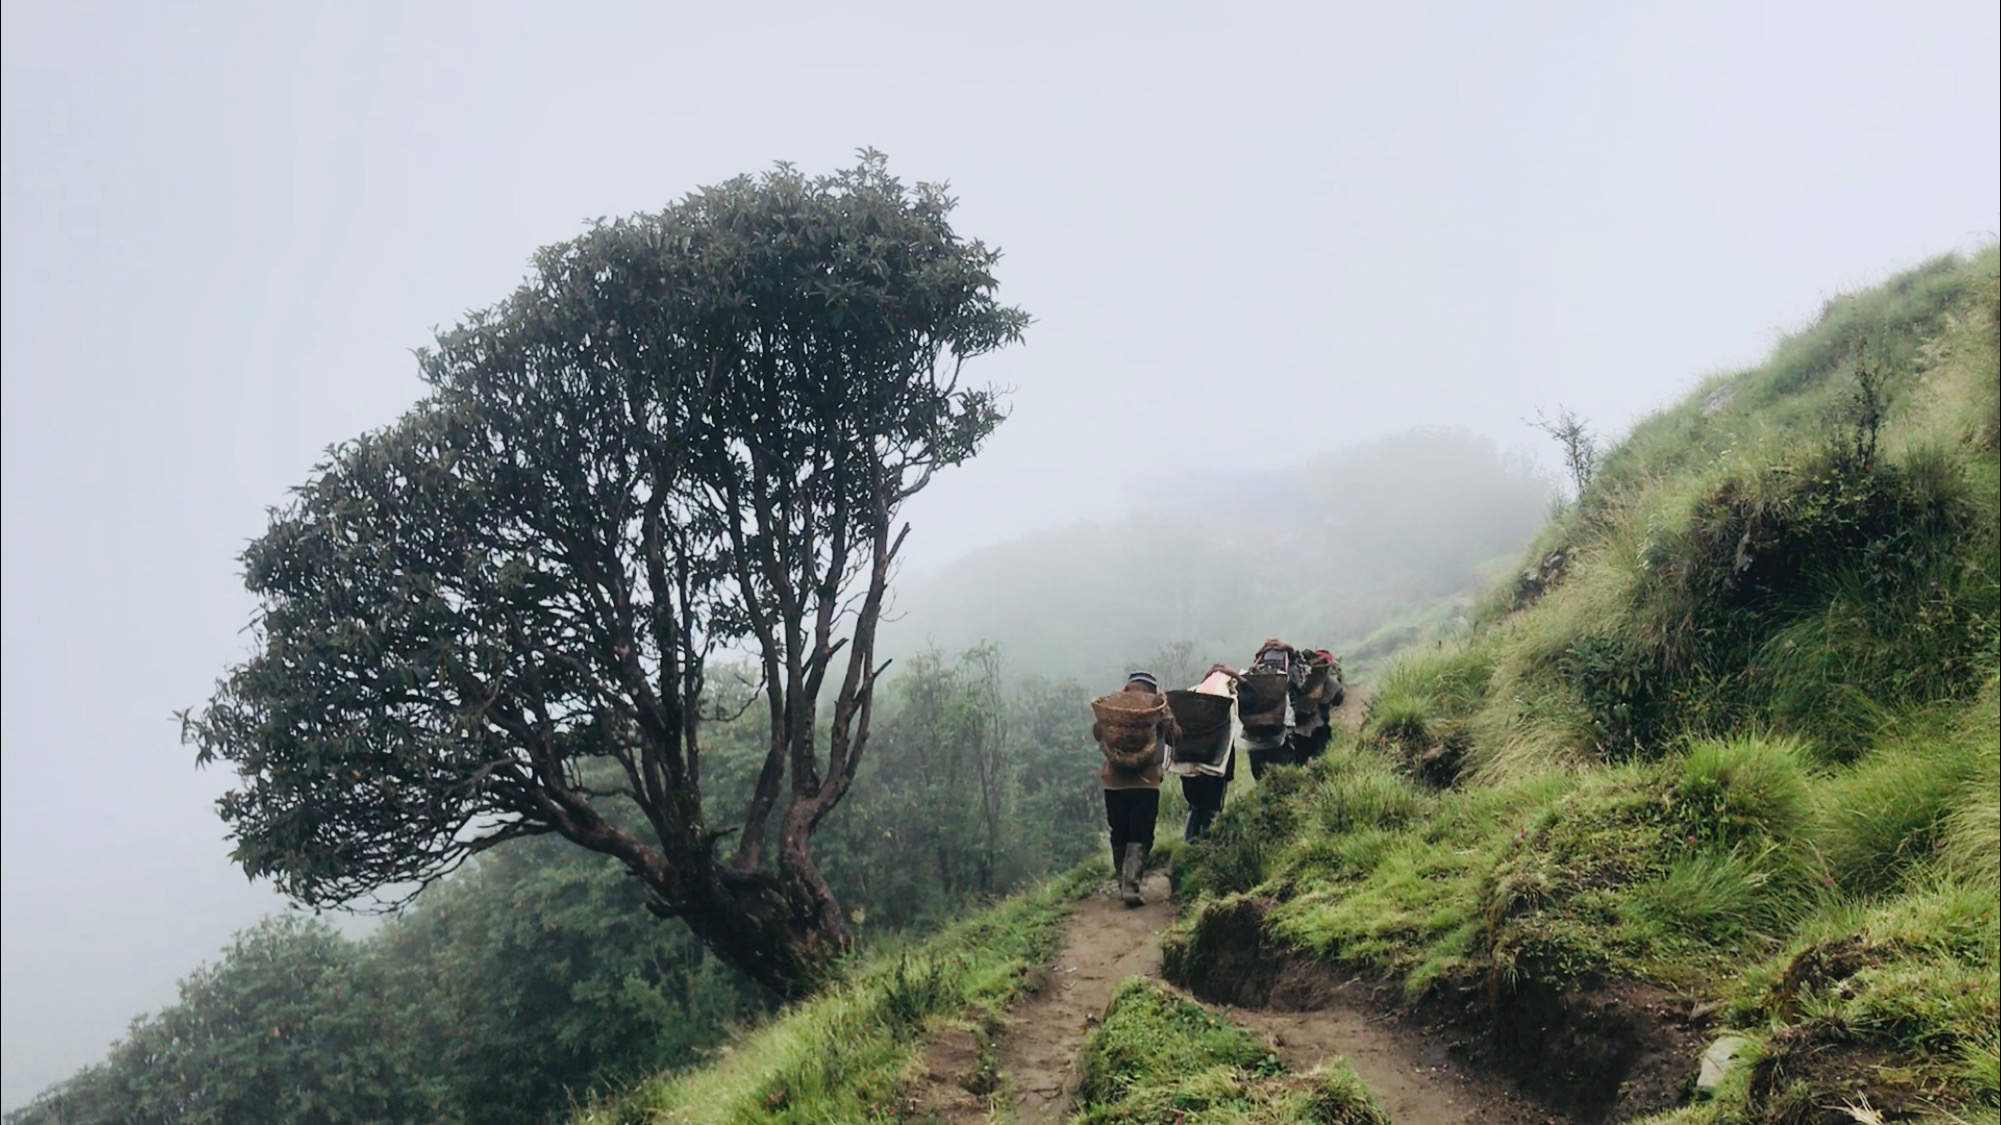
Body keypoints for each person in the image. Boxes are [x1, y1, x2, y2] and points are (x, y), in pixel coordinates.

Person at [1092, 670, 1179, 906]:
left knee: (1118, 830)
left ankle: (1123, 882)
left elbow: (1097, 734)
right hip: (1146, 782)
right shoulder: (1155, 709)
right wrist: (1166, 713)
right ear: (1151, 689)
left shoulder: (1114, 708)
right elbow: (1175, 737)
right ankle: (1131, 885)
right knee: (1140, 832)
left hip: (1114, 782)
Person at [1212, 638, 1308, 780]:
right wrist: (1291, 651)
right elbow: (1304, 676)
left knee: (1261, 779)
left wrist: (1258, 655)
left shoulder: (1252, 679)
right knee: (1284, 779)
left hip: (1254, 740)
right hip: (1282, 738)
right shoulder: (1289, 676)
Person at [1167, 668, 1236, 842]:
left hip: (1188, 767)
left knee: (1195, 806)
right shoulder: (1225, 705)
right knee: (1212, 808)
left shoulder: (1192, 701)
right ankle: (1208, 847)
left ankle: (1189, 844)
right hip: (1214, 768)